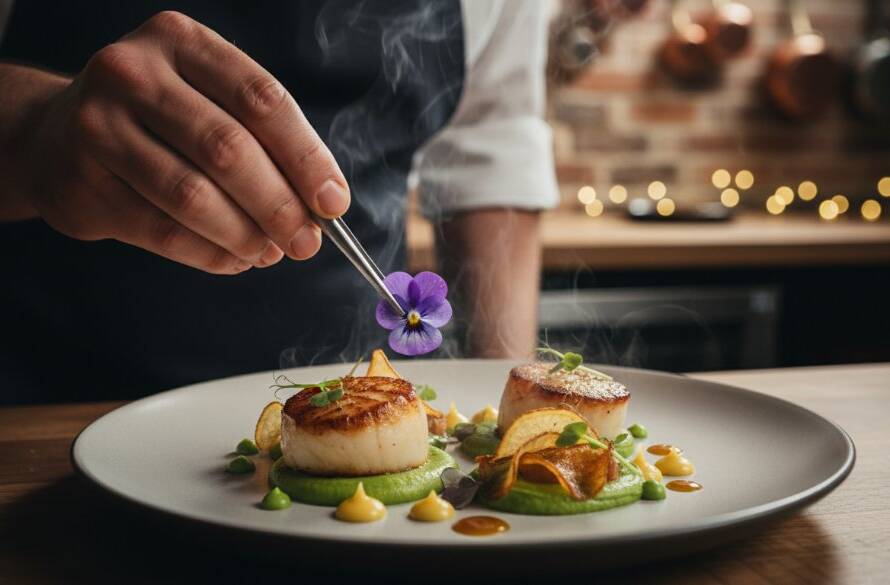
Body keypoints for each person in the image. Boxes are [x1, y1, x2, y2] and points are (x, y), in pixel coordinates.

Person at [0, 0, 558, 404]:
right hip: (56, 405)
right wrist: (35, 128)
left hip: (361, 395)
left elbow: (491, 152)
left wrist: (512, 409)